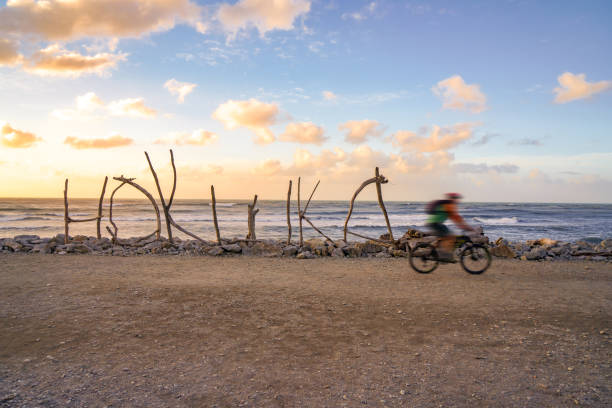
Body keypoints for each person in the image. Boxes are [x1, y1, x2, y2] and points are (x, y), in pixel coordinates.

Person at [426, 193, 474, 260]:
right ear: (452, 199)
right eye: (456, 199)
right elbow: (457, 219)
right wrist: (467, 228)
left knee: (445, 237)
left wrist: (463, 226)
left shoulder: (446, 205)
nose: (458, 201)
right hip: (435, 224)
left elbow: (456, 219)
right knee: (450, 237)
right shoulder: (449, 205)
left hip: (433, 223)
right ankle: (444, 255)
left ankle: (436, 251)